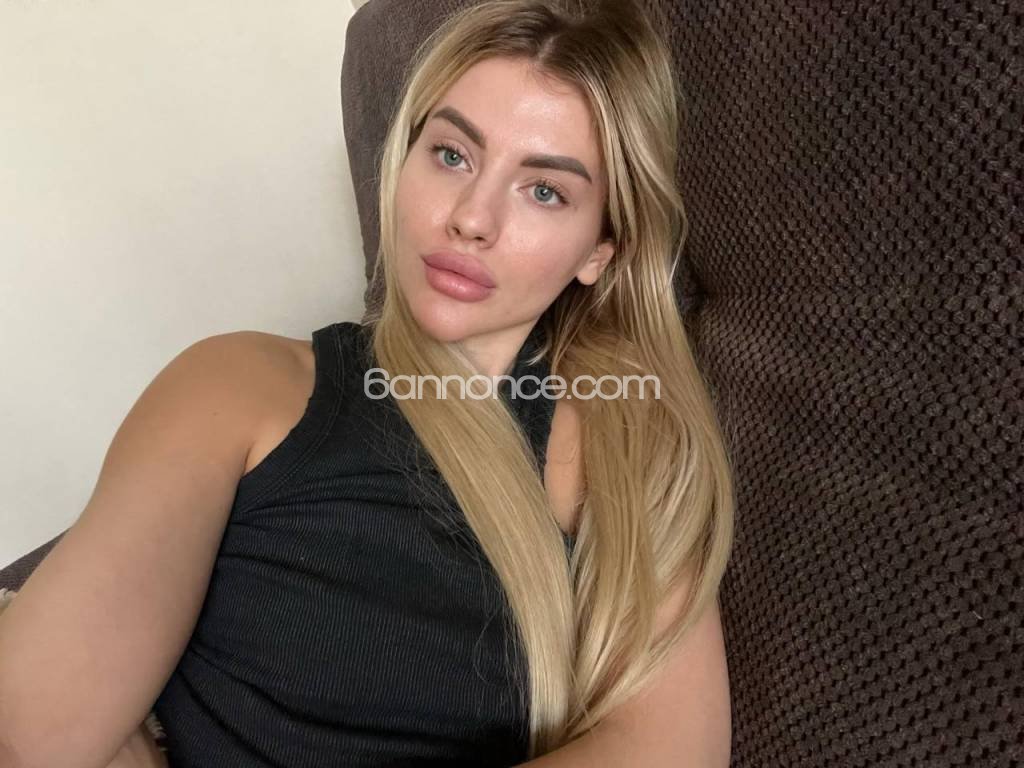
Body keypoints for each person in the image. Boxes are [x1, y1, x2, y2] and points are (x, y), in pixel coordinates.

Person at [0, 0, 735, 765]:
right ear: (401, 162)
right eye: (451, 154)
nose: (472, 218)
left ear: (598, 252)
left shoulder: (630, 445)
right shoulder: (237, 386)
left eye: (544, 190)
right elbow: (29, 736)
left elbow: (670, 749)